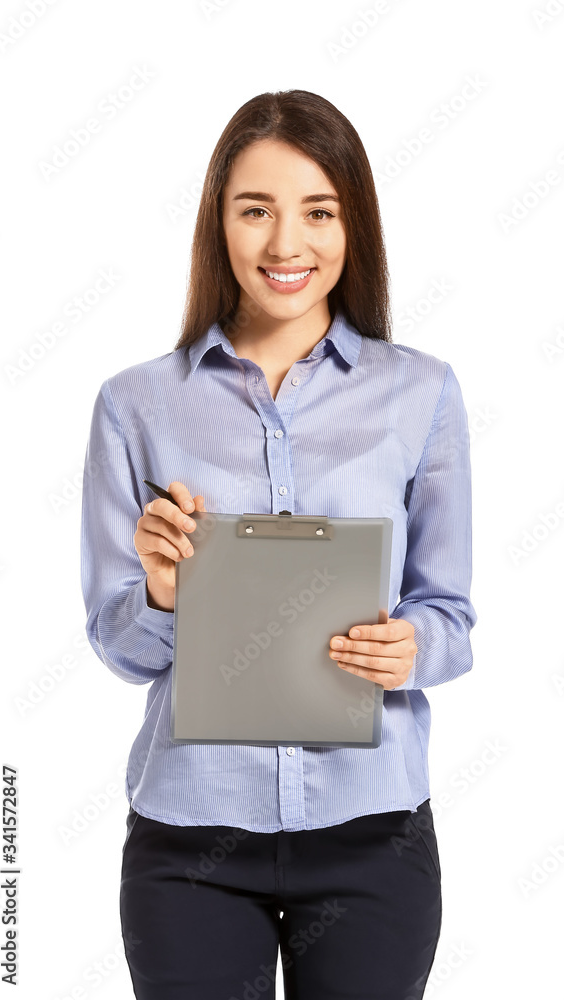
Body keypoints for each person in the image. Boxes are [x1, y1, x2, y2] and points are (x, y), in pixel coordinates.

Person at [80, 89, 477, 1000]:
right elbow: (121, 648)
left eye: (318, 211)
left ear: (354, 224)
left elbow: (450, 617)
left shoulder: (422, 394)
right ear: (217, 220)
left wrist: (408, 646)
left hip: (372, 835)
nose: (285, 244)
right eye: (254, 209)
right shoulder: (134, 406)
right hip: (190, 842)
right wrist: (163, 593)